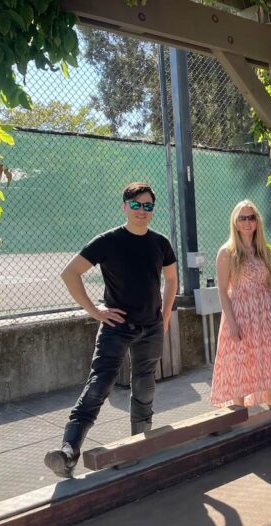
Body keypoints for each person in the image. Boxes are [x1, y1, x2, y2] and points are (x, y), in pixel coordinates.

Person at [44, 182, 178, 478]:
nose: (142, 211)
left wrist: (165, 315)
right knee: (99, 386)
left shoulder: (160, 243)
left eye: (148, 206)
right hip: (116, 328)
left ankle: (138, 445)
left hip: (151, 327)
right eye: (136, 205)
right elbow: (70, 273)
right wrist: (95, 311)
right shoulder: (108, 241)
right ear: (124, 206)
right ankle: (68, 452)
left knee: (144, 387)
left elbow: (171, 279)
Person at [210, 200, 271, 409]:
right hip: (240, 312)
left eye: (251, 217)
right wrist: (232, 324)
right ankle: (238, 406)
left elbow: (264, 283)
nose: (247, 222)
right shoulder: (226, 252)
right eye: (242, 218)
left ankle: (270, 396)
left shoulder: (262, 250)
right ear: (235, 223)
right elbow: (222, 290)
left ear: (257, 221)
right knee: (240, 359)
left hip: (264, 311)